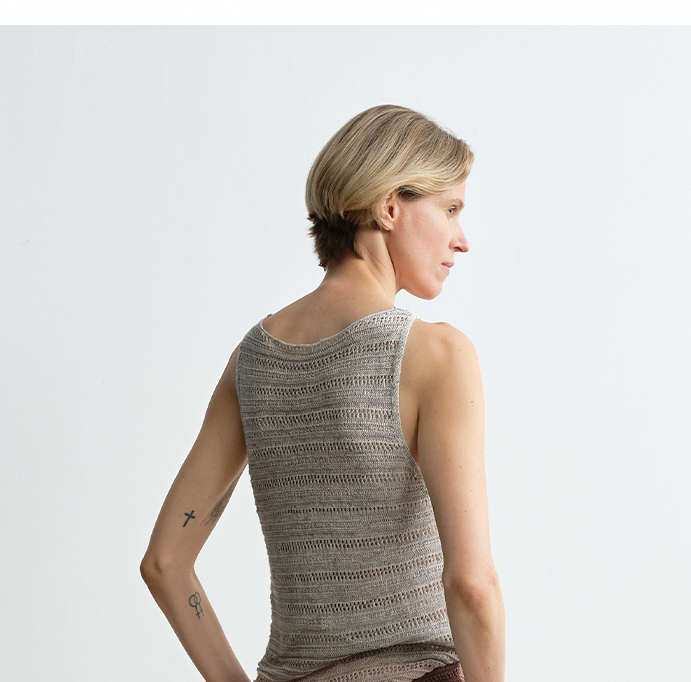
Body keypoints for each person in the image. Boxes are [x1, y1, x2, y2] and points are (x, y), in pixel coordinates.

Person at [141, 104, 505, 682]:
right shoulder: (436, 355)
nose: (462, 240)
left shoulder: (253, 360)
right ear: (389, 207)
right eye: (451, 209)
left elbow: (165, 563)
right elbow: (471, 585)